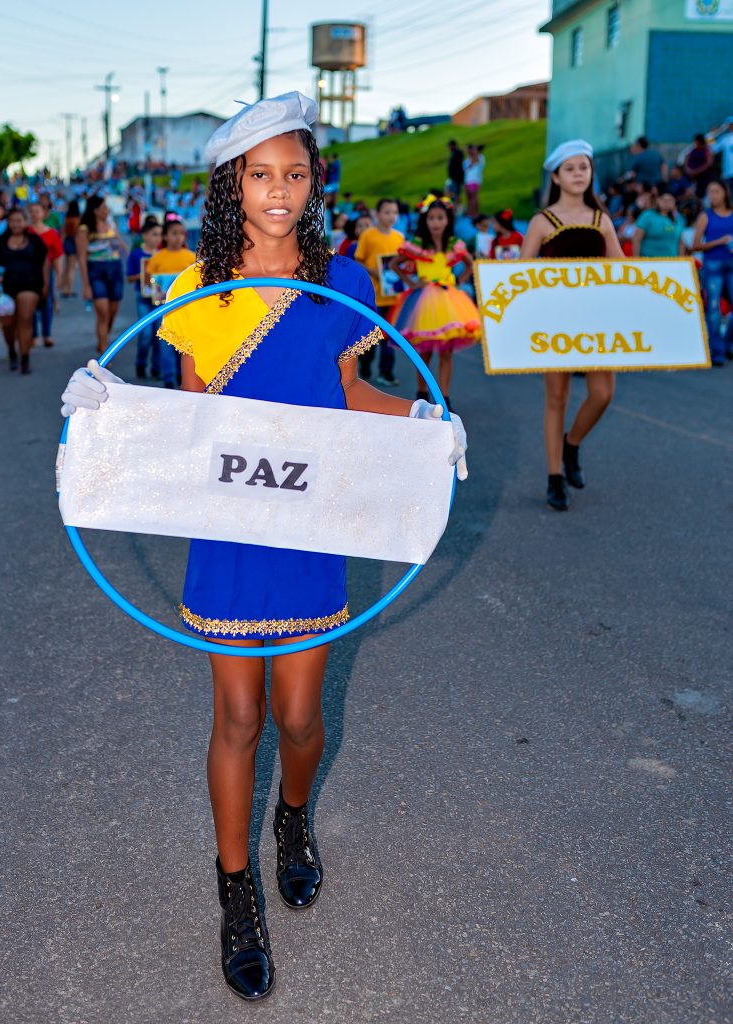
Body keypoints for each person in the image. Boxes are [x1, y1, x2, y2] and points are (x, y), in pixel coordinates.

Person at [60, 90, 468, 1002]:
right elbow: (189, 421)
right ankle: (235, 888)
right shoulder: (194, 288)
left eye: (294, 173)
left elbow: (348, 398)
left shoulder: (343, 284)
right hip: (231, 526)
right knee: (237, 717)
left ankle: (292, 816)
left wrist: (423, 420)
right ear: (231, 184)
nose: (278, 190)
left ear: (314, 182)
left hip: (310, 524)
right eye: (259, 175)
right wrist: (106, 414)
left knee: (299, 717)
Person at [520, 139, 624, 511]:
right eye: (570, 168)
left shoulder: (602, 220)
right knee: (557, 398)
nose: (579, 174)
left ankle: (572, 444)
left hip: (597, 321)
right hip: (554, 321)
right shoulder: (542, 221)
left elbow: (623, 270)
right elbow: (519, 275)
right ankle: (554, 477)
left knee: (603, 394)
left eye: (584, 167)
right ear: (556, 177)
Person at [389, 195, 480, 405]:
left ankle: (444, 398)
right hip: (424, 301)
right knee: (425, 352)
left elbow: (470, 263)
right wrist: (411, 283)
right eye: (431, 218)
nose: (436, 222)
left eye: (440, 218)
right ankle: (422, 395)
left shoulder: (453, 244)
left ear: (448, 220)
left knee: (447, 352)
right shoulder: (418, 244)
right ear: (425, 220)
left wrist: (459, 280)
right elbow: (394, 264)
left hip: (448, 299)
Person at [0, 207, 48, 374]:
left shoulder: (35, 240)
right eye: (12, 221)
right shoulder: (0, 241)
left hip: (30, 285)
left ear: (25, 222)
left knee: (25, 320)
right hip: (6, 289)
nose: (16, 224)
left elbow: (45, 262)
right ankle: (12, 351)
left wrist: (46, 284)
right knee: (7, 325)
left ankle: (25, 357)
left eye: (19, 221)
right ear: (8, 223)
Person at [354, 198, 404, 385]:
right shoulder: (368, 235)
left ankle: (386, 372)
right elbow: (358, 261)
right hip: (373, 296)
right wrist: (375, 272)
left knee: (390, 338)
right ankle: (365, 367)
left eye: (395, 212)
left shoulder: (399, 237)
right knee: (371, 336)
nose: (391, 216)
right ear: (377, 214)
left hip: (393, 296)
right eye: (387, 212)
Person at [144, 217, 195, 387]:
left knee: (185, 345)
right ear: (165, 236)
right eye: (174, 233)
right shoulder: (157, 258)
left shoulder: (191, 257)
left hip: (187, 309)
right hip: (163, 309)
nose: (179, 237)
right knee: (166, 343)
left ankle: (183, 376)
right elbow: (149, 281)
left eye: (181, 233)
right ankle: (168, 379)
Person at [76, 194, 126, 354]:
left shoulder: (111, 224)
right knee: (103, 313)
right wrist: (86, 285)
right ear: (95, 210)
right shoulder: (84, 230)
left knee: (112, 312)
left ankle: (103, 339)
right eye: (103, 207)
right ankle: (105, 350)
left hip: (115, 269)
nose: (107, 210)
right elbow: (82, 257)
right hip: (96, 271)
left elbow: (121, 246)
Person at [691, 180, 733, 365]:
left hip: (731, 264)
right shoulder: (705, 216)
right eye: (710, 192)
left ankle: (726, 344)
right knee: (714, 309)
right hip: (713, 265)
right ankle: (718, 352)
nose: (713, 195)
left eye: (716, 191)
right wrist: (719, 242)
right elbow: (695, 245)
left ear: (725, 193)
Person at [126, 217, 163, 379]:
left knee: (158, 334)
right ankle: (140, 364)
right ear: (145, 235)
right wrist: (143, 274)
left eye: (160, 235)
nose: (158, 238)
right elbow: (129, 278)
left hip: (159, 298)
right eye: (154, 234)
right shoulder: (136, 255)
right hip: (143, 298)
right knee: (146, 333)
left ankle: (156, 367)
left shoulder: (162, 255)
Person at [28, 200, 63, 347]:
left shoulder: (52, 233)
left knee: (46, 303)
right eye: (32, 212)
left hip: (47, 273)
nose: (34, 214)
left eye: (37, 211)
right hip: (29, 273)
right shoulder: (26, 232)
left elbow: (57, 256)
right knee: (30, 303)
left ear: (44, 213)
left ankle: (47, 334)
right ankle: (33, 335)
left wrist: (59, 274)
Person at [632, 191, 683, 258]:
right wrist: (636, 259)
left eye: (670, 200)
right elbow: (636, 239)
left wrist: (681, 260)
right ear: (658, 200)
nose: (666, 202)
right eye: (664, 199)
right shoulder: (648, 215)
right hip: (649, 260)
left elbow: (681, 242)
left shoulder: (678, 219)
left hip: (671, 261)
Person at [684, 134, 715, 199]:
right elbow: (687, 160)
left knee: (703, 195)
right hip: (693, 178)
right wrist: (688, 170)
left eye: (695, 141)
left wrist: (696, 171)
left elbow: (708, 163)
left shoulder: (707, 151)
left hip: (704, 178)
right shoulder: (693, 150)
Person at [60, 199, 80, 297]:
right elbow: (76, 234)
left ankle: (64, 289)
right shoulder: (77, 220)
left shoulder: (67, 218)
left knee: (66, 267)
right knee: (71, 268)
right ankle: (70, 290)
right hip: (73, 242)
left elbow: (63, 232)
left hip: (67, 242)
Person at [463, 144, 485, 217]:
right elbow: (466, 171)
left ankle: (475, 213)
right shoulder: (466, 160)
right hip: (467, 181)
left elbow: (475, 161)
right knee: (469, 197)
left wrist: (474, 150)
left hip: (475, 180)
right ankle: (470, 212)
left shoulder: (480, 157)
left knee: (474, 196)